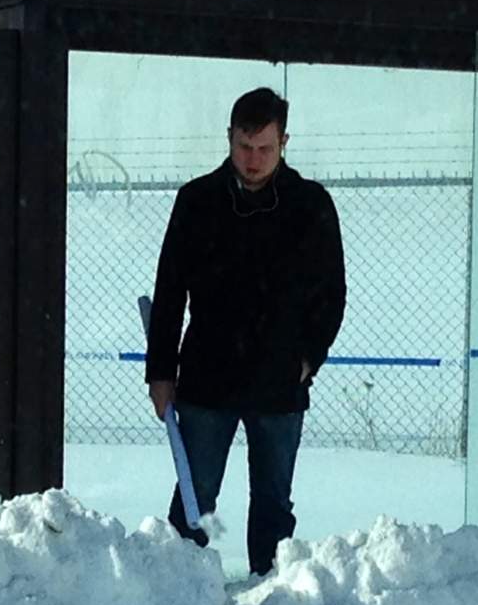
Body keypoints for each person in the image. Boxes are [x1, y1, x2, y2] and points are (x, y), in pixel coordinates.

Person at [145, 87, 346, 575]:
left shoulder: (310, 206)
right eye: (244, 146)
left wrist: (307, 359)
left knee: (274, 499)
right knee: (197, 495)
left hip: (279, 381)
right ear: (229, 138)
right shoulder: (197, 202)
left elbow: (332, 295)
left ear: (284, 143)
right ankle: (181, 582)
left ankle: (270, 586)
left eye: (265, 149)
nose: (253, 160)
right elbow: (169, 291)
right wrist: (160, 373)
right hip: (206, 378)